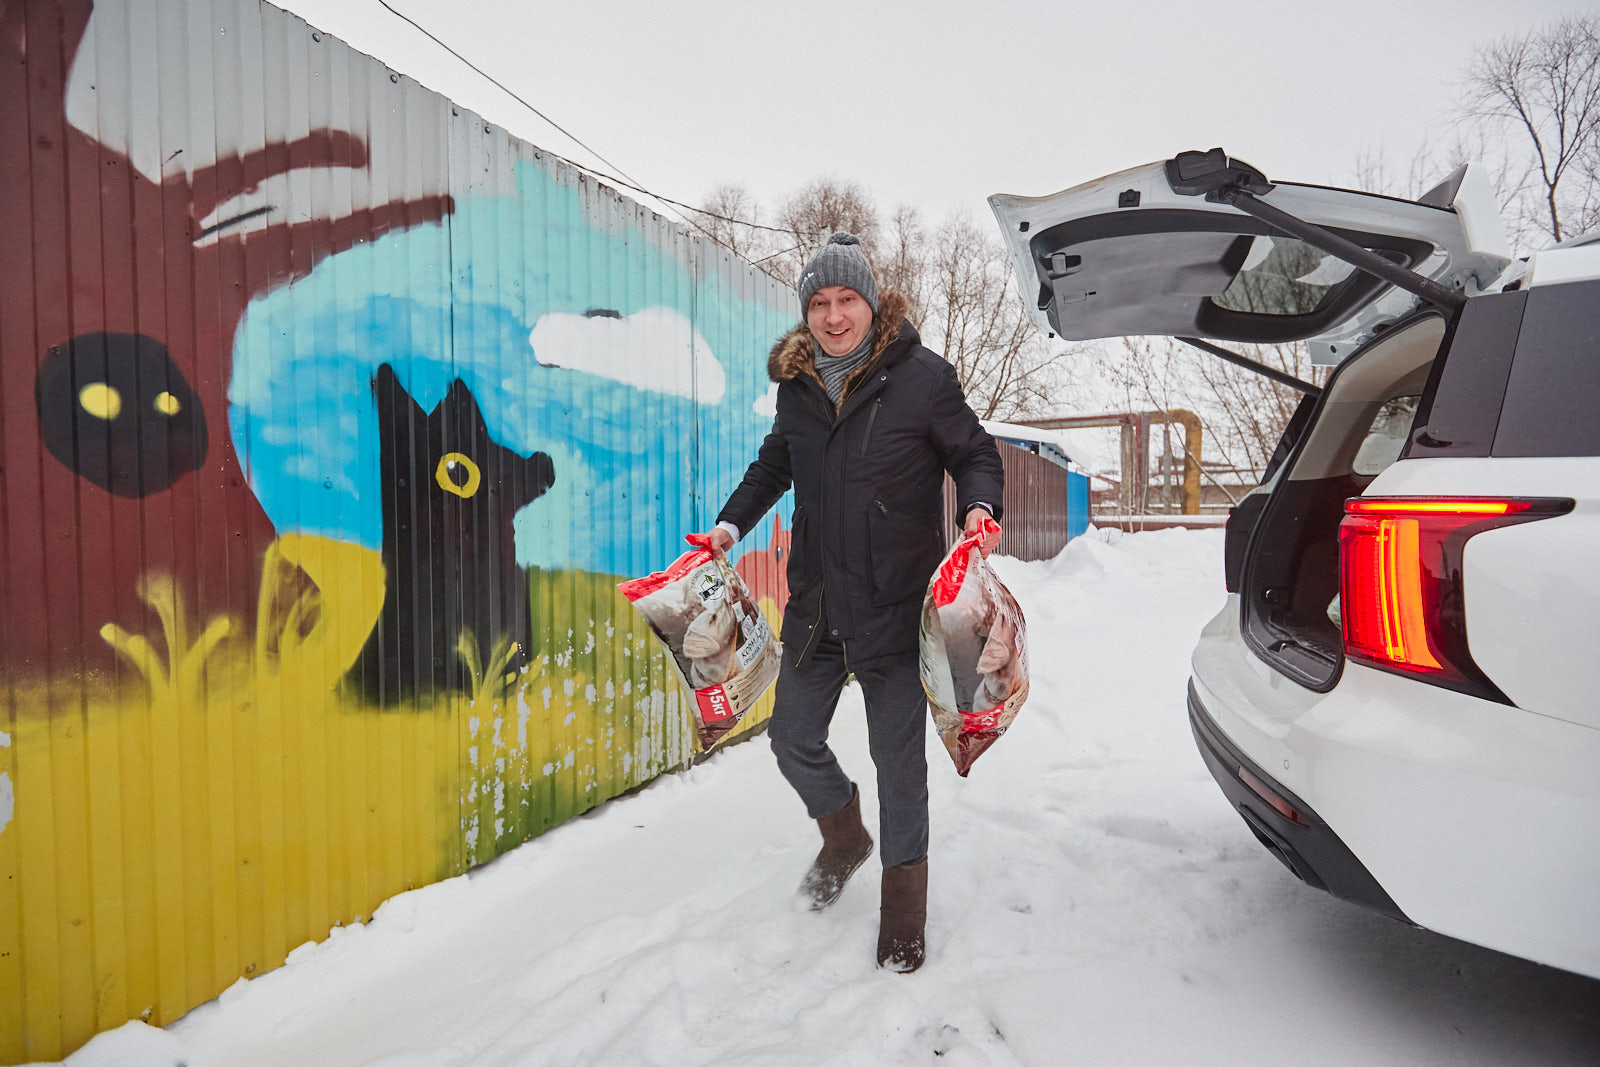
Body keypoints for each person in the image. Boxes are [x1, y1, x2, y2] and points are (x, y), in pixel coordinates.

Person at [700, 232, 1004, 972]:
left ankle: (903, 914)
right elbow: (778, 461)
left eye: (846, 300)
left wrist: (979, 506)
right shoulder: (798, 386)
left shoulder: (923, 378)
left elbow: (975, 453)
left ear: (872, 301)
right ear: (807, 311)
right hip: (816, 604)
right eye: (819, 303)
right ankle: (844, 835)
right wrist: (731, 523)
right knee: (791, 737)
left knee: (898, 764)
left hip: (896, 609)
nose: (834, 316)